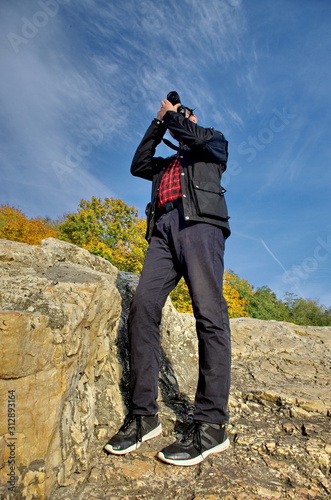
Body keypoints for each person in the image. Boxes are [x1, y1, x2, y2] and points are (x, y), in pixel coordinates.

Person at [104, 93, 231, 466]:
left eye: (185, 114)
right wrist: (158, 123)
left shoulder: (212, 143)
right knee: (142, 308)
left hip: (201, 227)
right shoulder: (164, 165)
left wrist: (175, 115)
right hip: (162, 232)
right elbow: (138, 163)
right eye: (177, 114)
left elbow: (197, 136)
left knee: (209, 315)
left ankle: (211, 426)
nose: (179, 117)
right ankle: (144, 415)